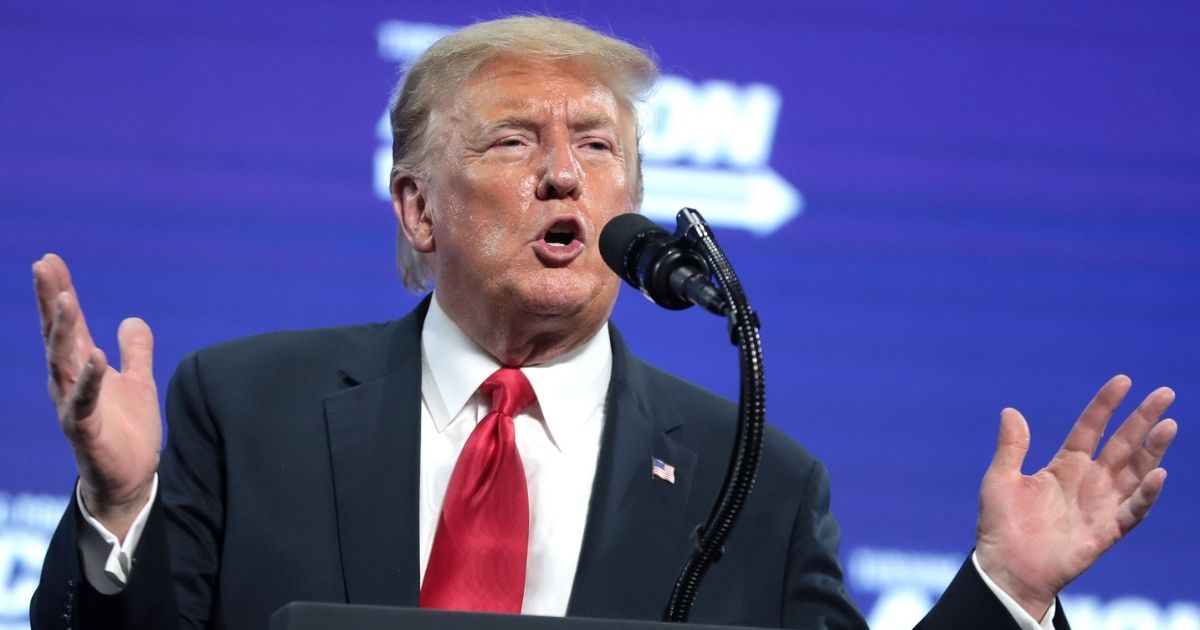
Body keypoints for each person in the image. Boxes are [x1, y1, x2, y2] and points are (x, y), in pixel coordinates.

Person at [30, 15, 1178, 630]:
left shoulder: (760, 485)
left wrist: (1007, 594)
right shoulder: (246, 408)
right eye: (516, 142)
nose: (566, 177)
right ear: (417, 209)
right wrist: (121, 509)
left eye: (597, 147)